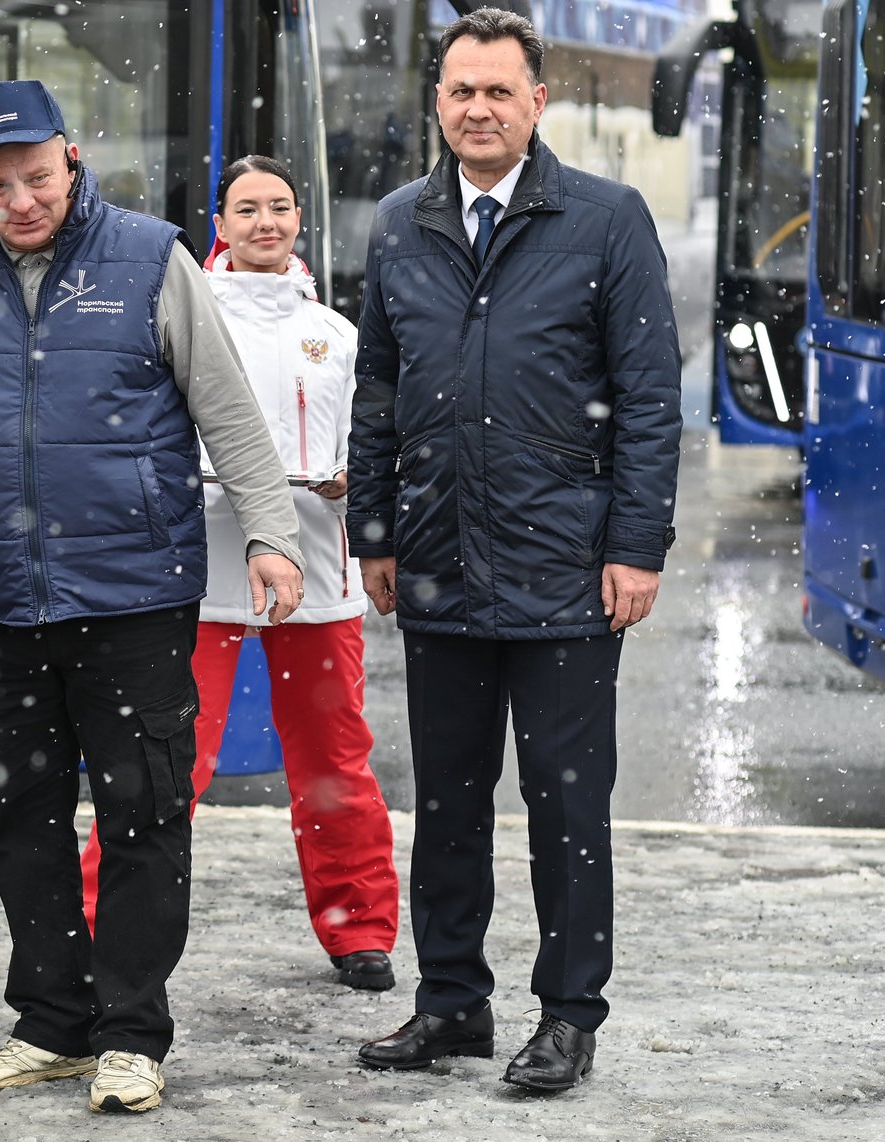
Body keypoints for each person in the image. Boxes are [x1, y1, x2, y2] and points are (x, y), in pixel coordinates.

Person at [0, 79, 306, 1115]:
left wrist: (272, 537)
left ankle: (132, 1031)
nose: (21, 199)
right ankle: (52, 1019)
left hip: (134, 593)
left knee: (142, 810)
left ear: (68, 157)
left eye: (36, 175)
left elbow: (227, 413)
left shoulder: (150, 256)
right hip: (3, 596)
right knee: (17, 815)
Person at [348, 8, 681, 1092]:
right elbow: (377, 392)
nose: (477, 109)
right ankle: (449, 1002)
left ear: (536, 102)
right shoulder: (399, 224)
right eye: (459, 91)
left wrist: (634, 546)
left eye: (498, 91)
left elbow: (646, 400)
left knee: (564, 806)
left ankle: (568, 1015)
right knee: (443, 804)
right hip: (437, 563)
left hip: (566, 574)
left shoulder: (605, 219)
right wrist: (374, 531)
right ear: (434, 102)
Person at [75, 155, 400, 992]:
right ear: (218, 225)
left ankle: (358, 928)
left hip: (318, 575)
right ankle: (96, 924)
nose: (266, 222)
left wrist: (354, 486)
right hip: (204, 575)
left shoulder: (335, 332)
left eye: (280, 207)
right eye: (247, 208)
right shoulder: (184, 311)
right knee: (168, 765)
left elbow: (372, 443)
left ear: (299, 221)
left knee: (334, 762)